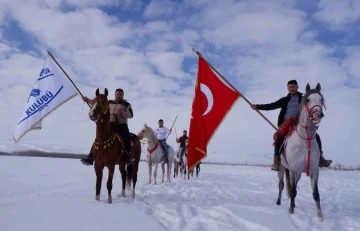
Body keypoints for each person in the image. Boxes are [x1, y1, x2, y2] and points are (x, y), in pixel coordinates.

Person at [250, 80, 332, 171]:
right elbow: (271, 106)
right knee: (280, 137)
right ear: (287, 88)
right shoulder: (284, 100)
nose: (291, 89)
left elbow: (312, 105)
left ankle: (320, 158)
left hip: (300, 122)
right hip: (286, 123)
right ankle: (277, 161)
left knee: (316, 136)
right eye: (289, 87)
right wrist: (257, 107)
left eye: (293, 87)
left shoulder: (304, 99)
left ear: (297, 87)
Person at [80, 88, 135, 166]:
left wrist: (121, 113)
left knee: (126, 137)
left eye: (120, 94)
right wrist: (86, 100)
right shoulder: (109, 102)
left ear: (123, 95)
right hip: (110, 124)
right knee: (98, 138)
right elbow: (97, 103)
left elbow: (130, 115)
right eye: (117, 94)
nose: (119, 96)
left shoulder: (126, 104)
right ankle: (90, 157)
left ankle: (127, 156)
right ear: (115, 95)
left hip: (121, 125)